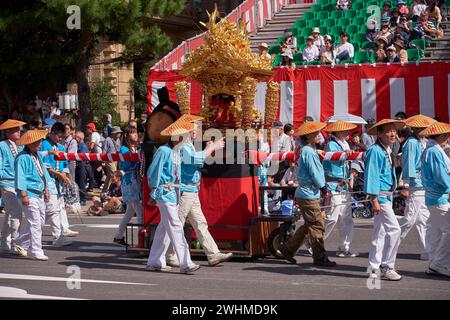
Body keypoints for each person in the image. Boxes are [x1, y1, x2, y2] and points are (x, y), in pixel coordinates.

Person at [165, 115, 232, 267]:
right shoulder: (183, 145)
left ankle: (212, 253)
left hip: (191, 189)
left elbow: (196, 159)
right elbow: (196, 160)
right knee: (178, 224)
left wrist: (209, 148)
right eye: (193, 128)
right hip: (185, 189)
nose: (196, 131)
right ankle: (170, 254)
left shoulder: (187, 144)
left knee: (200, 223)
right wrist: (211, 147)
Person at [146, 118, 201, 274]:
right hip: (165, 194)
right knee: (176, 227)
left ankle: (155, 261)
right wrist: (155, 192)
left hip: (172, 194)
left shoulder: (175, 152)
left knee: (164, 228)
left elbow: (176, 178)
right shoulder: (164, 151)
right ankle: (186, 262)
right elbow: (153, 173)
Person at [279, 121, 337, 267]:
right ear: (309, 136)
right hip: (309, 193)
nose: (319, 135)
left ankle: (288, 248)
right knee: (317, 225)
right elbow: (315, 174)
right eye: (316, 133)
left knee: (309, 225)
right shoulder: (309, 152)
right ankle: (320, 256)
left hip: (306, 193)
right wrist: (323, 187)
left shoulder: (304, 149)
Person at [364, 119, 405, 281]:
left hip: (385, 194)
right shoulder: (375, 151)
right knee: (395, 230)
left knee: (379, 233)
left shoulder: (386, 149)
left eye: (394, 130)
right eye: (388, 131)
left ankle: (374, 266)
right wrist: (374, 199)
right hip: (380, 196)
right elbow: (372, 175)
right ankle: (388, 266)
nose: (392, 134)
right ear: (379, 134)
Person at [399, 115, 436, 260]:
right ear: (418, 129)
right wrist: (407, 185)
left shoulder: (424, 141)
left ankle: (426, 250)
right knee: (409, 220)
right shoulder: (411, 143)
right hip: (415, 185)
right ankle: (389, 242)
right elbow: (408, 164)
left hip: (423, 184)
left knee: (423, 220)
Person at [321, 121, 359, 257]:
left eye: (347, 130)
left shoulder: (346, 144)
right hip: (333, 184)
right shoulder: (331, 144)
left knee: (347, 218)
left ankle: (344, 247)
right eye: (344, 130)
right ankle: (314, 241)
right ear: (337, 132)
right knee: (332, 217)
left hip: (344, 185)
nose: (347, 132)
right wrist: (345, 154)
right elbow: (333, 159)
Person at [13, 130, 52, 260]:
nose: (40, 143)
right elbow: (20, 177)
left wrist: (47, 189)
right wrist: (24, 194)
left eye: (40, 141)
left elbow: (43, 173)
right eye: (37, 141)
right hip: (29, 193)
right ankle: (36, 250)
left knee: (39, 223)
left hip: (39, 192)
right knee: (35, 222)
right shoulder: (22, 157)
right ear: (29, 143)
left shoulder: (37, 155)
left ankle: (20, 242)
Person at [420, 121, 450, 277]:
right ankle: (439, 264)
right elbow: (441, 176)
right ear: (438, 136)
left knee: (437, 232)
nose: (447, 138)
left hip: (435, 196)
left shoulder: (431, 149)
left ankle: (435, 263)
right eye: (445, 135)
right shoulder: (434, 151)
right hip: (439, 196)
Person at [41, 122, 78, 245]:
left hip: (59, 183)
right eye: (58, 136)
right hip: (48, 181)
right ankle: (57, 236)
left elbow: (64, 165)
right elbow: (44, 165)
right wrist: (59, 174)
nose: (60, 139)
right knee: (51, 210)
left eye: (62, 137)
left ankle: (60, 233)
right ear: (51, 133)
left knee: (57, 209)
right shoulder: (44, 145)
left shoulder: (61, 147)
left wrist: (65, 175)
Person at [0, 119, 26, 254]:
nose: (19, 132)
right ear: (9, 132)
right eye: (16, 130)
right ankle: (16, 242)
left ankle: (4, 243)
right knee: (16, 211)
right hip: (6, 182)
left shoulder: (21, 146)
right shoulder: (2, 145)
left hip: (18, 183)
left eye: (19, 129)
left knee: (11, 213)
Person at [113, 127, 143, 245]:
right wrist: (134, 157)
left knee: (130, 212)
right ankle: (142, 239)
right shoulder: (124, 149)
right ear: (126, 136)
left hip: (135, 180)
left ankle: (118, 236)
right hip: (130, 180)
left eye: (136, 132)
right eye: (132, 133)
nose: (135, 135)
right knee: (139, 211)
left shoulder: (137, 147)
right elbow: (125, 165)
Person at [74, 131, 94, 206]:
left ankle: (83, 199)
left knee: (82, 183)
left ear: (79, 138)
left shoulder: (82, 146)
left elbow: (82, 158)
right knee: (79, 183)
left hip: (83, 166)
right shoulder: (80, 145)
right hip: (81, 166)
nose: (74, 138)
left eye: (75, 137)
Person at [102, 126, 122, 193]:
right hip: (109, 160)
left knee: (109, 176)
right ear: (113, 133)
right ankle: (111, 190)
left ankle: (105, 190)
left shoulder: (118, 140)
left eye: (119, 133)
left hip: (116, 159)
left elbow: (119, 150)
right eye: (118, 133)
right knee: (114, 173)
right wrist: (103, 161)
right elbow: (104, 151)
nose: (119, 134)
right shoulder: (107, 139)